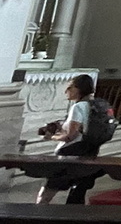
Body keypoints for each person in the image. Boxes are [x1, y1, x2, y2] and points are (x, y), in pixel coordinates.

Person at [36, 74, 100, 205]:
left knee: (45, 195)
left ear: (79, 89)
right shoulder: (95, 105)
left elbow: (71, 136)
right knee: (77, 196)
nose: (67, 91)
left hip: (69, 155)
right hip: (89, 153)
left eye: (70, 87)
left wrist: (51, 137)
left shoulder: (78, 107)